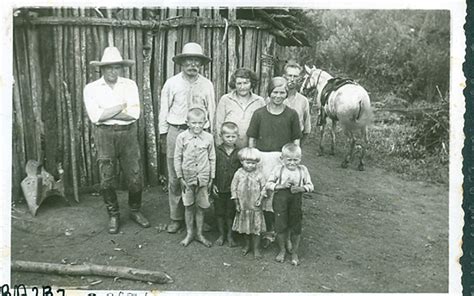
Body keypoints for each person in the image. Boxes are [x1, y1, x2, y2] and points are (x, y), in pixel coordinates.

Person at [83, 46, 150, 234]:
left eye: (116, 68)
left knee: (135, 176)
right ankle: (113, 214)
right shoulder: (91, 88)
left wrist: (108, 112)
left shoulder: (129, 85)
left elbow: (134, 114)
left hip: (128, 133)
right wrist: (121, 106)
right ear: (102, 69)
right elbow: (96, 116)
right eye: (109, 68)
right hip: (104, 135)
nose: (113, 71)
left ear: (121, 68)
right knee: (107, 178)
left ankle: (135, 210)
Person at [158, 42, 216, 234]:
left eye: (196, 61)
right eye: (189, 61)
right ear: (182, 63)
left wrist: (211, 135)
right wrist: (164, 134)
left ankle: (199, 217)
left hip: (201, 134)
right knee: (176, 178)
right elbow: (164, 110)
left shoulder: (207, 84)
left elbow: (212, 111)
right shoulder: (172, 83)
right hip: (177, 131)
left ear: (201, 64)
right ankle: (176, 218)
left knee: (200, 176)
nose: (192, 65)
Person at [246, 76, 302, 247]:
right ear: (269, 93)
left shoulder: (291, 115)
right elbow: (252, 138)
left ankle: (280, 233)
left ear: (286, 94)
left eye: (282, 92)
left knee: (279, 197)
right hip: (262, 158)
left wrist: (292, 162)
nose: (278, 96)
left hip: (281, 160)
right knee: (262, 195)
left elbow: (296, 140)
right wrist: (253, 158)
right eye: (275, 92)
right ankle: (263, 230)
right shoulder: (259, 114)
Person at [266, 143, 314, 266]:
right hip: (280, 201)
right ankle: (282, 250)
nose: (292, 163)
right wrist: (280, 186)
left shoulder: (302, 170)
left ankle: (294, 252)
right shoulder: (278, 169)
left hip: (295, 202)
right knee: (280, 226)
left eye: (295, 160)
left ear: (300, 158)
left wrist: (301, 188)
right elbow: (268, 184)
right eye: (289, 160)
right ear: (282, 159)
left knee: (295, 227)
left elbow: (310, 186)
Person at [174, 107, 216, 247]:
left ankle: (199, 234)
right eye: (193, 123)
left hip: (203, 178)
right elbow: (177, 158)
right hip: (187, 178)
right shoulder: (182, 138)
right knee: (188, 206)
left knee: (201, 207)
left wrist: (211, 178)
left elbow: (212, 158)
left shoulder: (209, 138)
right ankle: (189, 233)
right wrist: (180, 177)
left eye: (200, 123)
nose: (197, 126)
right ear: (187, 122)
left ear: (205, 122)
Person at [215, 68, 265, 148]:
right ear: (234, 84)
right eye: (239, 83)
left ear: (251, 83)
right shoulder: (226, 99)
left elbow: (263, 126)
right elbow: (219, 125)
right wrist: (221, 148)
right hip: (229, 148)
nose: (242, 87)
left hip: (251, 148)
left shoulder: (259, 101)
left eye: (246, 83)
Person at [231, 147, 267, 259]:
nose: (250, 165)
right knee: (245, 228)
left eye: (253, 163)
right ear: (242, 162)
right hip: (243, 206)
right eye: (248, 163)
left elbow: (264, 188)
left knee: (256, 229)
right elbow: (233, 188)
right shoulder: (238, 173)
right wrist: (236, 203)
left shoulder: (259, 174)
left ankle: (256, 248)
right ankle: (247, 245)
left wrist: (260, 200)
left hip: (255, 206)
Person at [212, 122, 241, 247]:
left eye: (233, 137)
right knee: (219, 212)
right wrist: (212, 184)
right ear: (221, 136)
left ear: (237, 136)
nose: (230, 139)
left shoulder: (239, 153)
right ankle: (221, 234)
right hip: (219, 187)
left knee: (230, 212)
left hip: (233, 189)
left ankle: (230, 235)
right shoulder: (216, 151)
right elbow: (212, 168)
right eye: (227, 136)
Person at [282, 61, 312, 145]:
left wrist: (298, 148)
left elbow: (307, 129)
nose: (292, 79)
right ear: (284, 77)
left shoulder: (303, 101)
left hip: (294, 143)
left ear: (299, 79)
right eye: (289, 75)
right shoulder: (274, 98)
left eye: (295, 76)